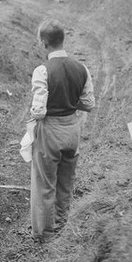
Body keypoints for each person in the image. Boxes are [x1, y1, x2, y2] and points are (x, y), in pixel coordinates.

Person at [27, 19, 95, 243]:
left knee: (45, 184)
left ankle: (46, 235)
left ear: (44, 43)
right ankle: (63, 228)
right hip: (72, 128)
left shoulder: (42, 71)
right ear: (62, 40)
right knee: (66, 182)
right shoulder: (81, 68)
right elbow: (88, 104)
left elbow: (38, 110)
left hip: (51, 129)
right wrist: (69, 100)